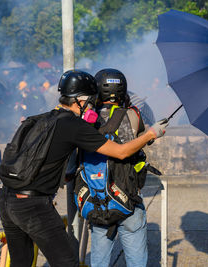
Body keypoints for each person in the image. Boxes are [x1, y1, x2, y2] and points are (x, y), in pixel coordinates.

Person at [0, 70, 169, 267]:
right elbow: (121, 152)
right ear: (81, 100)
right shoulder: (74, 126)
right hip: (33, 205)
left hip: (7, 199)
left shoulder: (40, 118)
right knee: (67, 262)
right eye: (91, 101)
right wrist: (151, 134)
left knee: (21, 262)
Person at [86, 68, 148, 267]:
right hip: (129, 198)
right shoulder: (133, 115)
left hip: (98, 199)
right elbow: (141, 135)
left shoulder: (86, 120)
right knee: (136, 259)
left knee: (99, 260)